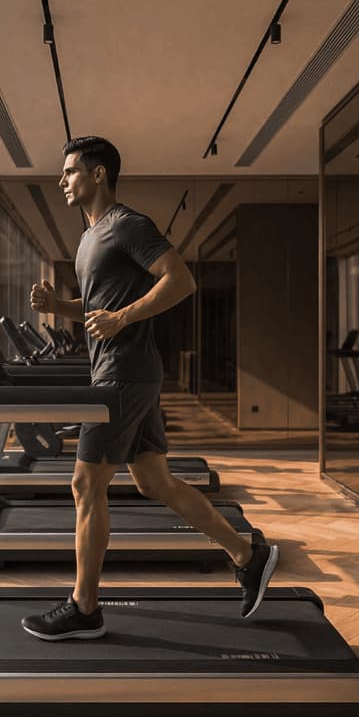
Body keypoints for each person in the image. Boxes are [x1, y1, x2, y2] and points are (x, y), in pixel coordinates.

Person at [21, 135, 279, 641]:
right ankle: (249, 554)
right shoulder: (87, 239)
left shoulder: (127, 225)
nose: (63, 180)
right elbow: (99, 313)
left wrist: (122, 317)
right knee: (153, 481)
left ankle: (84, 607)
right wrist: (62, 307)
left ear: (98, 175)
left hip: (124, 372)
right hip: (121, 370)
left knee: (85, 484)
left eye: (71, 171)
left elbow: (180, 281)